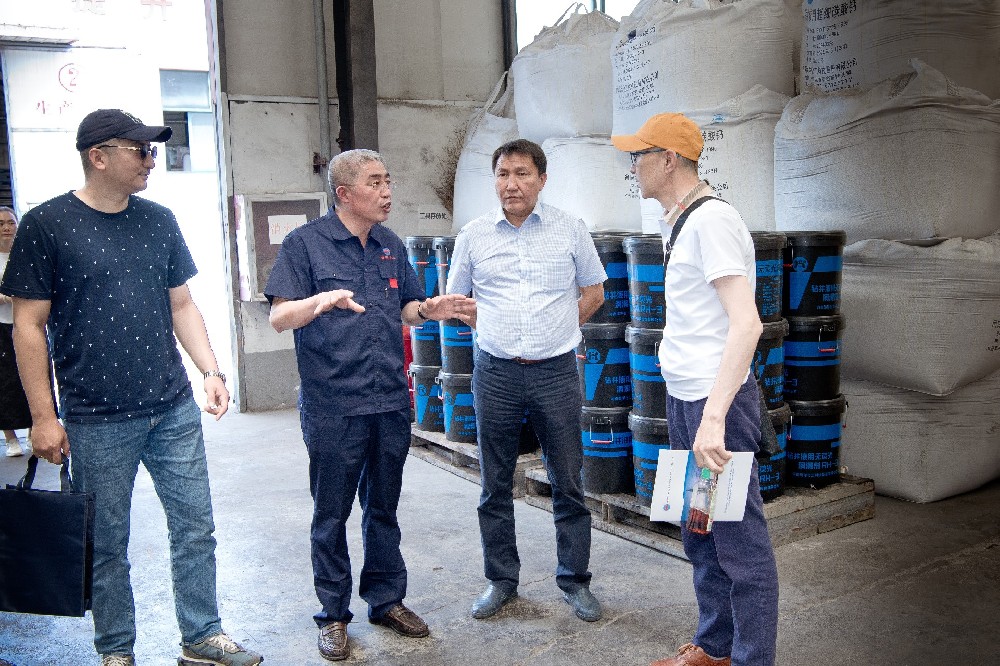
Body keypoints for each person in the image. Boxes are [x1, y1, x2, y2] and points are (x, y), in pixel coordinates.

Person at [0, 109, 262, 666]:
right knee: (106, 542)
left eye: (152, 151)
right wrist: (43, 417)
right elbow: (28, 326)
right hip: (95, 417)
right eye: (140, 150)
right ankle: (117, 649)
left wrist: (211, 371)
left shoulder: (159, 220)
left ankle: (202, 635)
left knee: (195, 527)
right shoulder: (47, 225)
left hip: (172, 408)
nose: (151, 161)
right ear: (98, 156)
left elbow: (181, 304)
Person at [264, 148, 467, 662]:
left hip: (388, 401)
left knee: (383, 508)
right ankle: (332, 614)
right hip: (333, 403)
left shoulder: (389, 244)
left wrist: (430, 309)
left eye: (388, 180)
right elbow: (280, 317)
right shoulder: (305, 245)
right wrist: (319, 301)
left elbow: (406, 309)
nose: (386, 191)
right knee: (331, 513)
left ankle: (386, 599)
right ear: (344, 193)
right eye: (375, 182)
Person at [612, 113, 778, 666]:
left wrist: (713, 419)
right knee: (701, 528)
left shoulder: (713, 222)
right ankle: (715, 647)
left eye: (638, 155)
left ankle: (752, 658)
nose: (632, 167)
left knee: (739, 543)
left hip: (716, 408)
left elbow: (747, 324)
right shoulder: (681, 222)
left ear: (668, 160)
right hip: (687, 401)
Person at [446, 139, 607, 623]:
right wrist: (495, 328)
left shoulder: (570, 229)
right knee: (494, 481)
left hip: (556, 371)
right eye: (502, 174)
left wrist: (558, 328)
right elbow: (457, 301)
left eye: (521, 173)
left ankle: (575, 580)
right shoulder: (474, 235)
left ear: (542, 179)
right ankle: (501, 580)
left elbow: (594, 291)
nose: (511, 184)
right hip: (495, 372)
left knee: (567, 479)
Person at [0, 207, 31, 457]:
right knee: (5, 381)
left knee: (32, 377)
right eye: (1, 224)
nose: (6, 228)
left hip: (27, 324)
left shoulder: (25, 255)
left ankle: (34, 432)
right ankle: (10, 438)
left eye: (10, 222)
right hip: (1, 327)